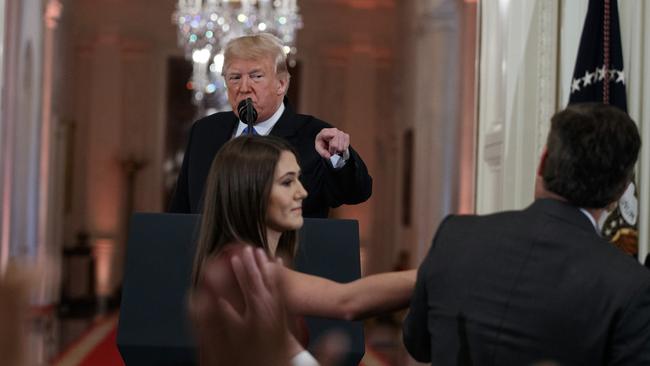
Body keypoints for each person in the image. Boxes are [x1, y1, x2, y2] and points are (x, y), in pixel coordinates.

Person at [403, 103, 650, 365]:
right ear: (620, 191)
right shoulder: (630, 286)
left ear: (543, 162)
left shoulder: (455, 236)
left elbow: (418, 344)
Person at [190, 135, 414, 363]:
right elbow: (347, 301)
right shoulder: (244, 264)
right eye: (287, 182)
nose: (302, 192)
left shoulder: (250, 260)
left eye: (299, 179)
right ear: (251, 190)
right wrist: (432, 273)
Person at [169, 33, 372, 218]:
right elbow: (182, 209)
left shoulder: (315, 136)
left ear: (281, 84)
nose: (244, 87)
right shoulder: (204, 131)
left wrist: (338, 157)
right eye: (235, 77)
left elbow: (356, 192)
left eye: (256, 76)